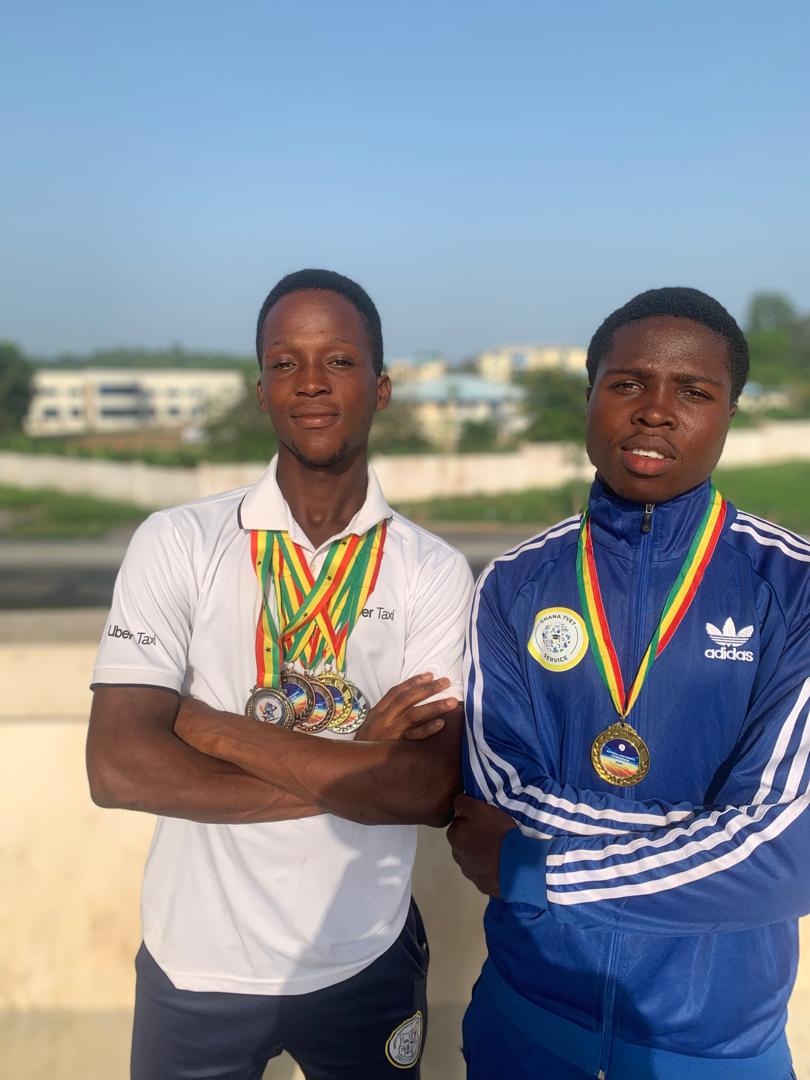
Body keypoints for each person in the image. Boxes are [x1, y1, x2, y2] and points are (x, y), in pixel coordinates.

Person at [86, 268, 473, 1080]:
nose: (311, 382)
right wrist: (360, 764)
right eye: (285, 362)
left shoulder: (431, 570)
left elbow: (429, 790)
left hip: (364, 957)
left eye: (340, 360)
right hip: (197, 966)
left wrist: (207, 726)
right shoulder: (180, 541)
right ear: (260, 390)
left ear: (382, 388)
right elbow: (119, 767)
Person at [448, 287, 809, 1080]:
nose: (655, 411)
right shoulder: (513, 583)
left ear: (730, 413)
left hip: (714, 1048)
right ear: (590, 397)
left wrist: (539, 870)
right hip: (525, 1023)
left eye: (694, 392)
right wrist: (704, 831)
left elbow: (786, 851)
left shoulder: (794, 587)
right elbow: (495, 800)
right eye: (628, 383)